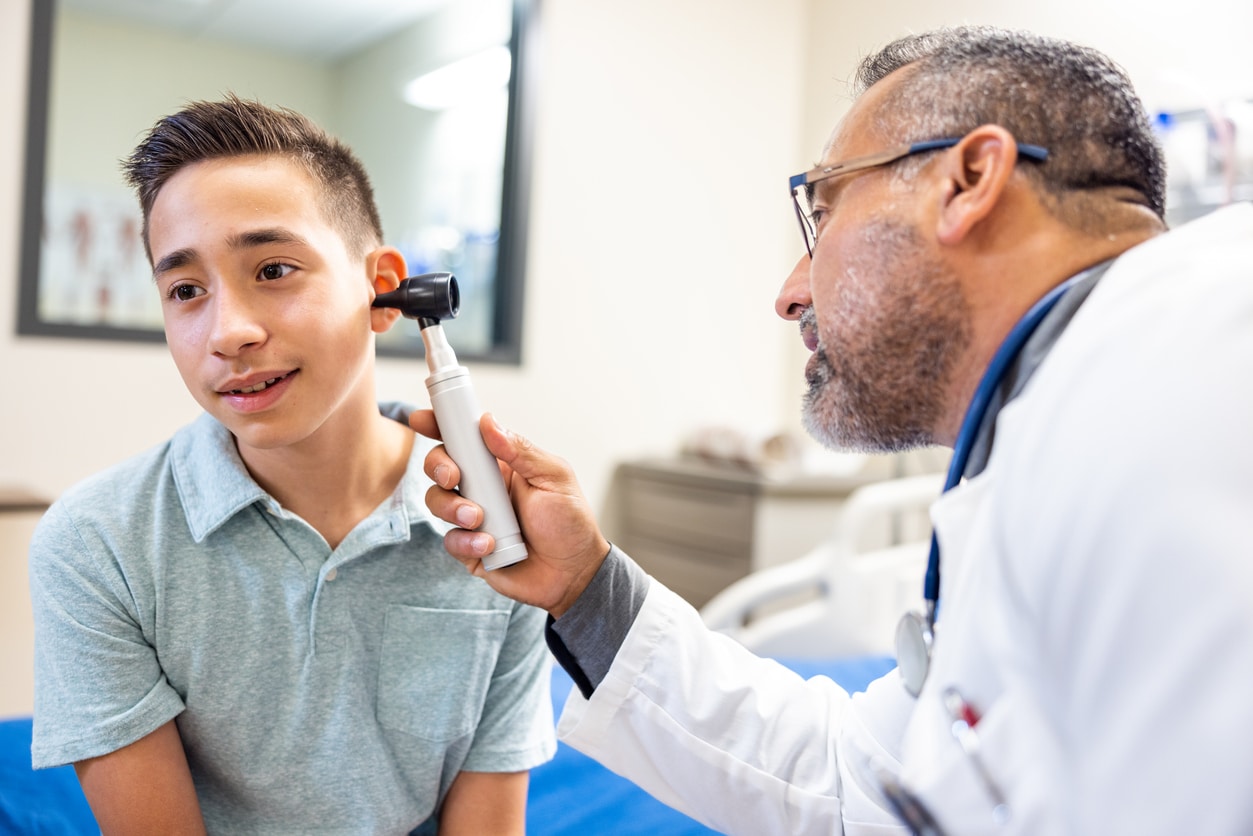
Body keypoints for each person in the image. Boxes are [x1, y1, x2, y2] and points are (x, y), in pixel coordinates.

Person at [416, 25, 1253, 835]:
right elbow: (865, 786)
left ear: (966, 181)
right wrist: (586, 588)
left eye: (820, 214)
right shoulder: (1058, 416)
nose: (787, 293)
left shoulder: (1194, 359)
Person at [28, 96, 555, 835]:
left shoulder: (491, 528)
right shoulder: (96, 543)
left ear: (382, 291)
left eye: (273, 269)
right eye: (185, 291)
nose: (228, 333)